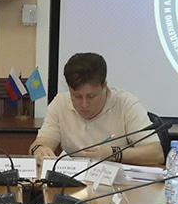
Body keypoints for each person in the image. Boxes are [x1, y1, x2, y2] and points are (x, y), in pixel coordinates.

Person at [27, 52, 162, 167]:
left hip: (117, 185)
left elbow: (156, 153)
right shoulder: (60, 103)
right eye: (77, 97)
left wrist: (113, 154)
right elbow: (41, 143)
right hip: (72, 182)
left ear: (104, 86)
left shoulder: (126, 104)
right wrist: (40, 150)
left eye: (91, 96)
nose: (84, 104)